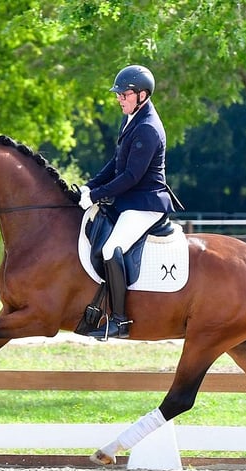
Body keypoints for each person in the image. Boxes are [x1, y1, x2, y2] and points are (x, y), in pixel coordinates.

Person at [78, 64, 177, 339]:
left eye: (124, 94)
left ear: (142, 95)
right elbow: (116, 162)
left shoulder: (147, 128)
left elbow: (131, 176)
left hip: (146, 204)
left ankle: (120, 321)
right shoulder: (131, 118)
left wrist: (96, 196)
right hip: (130, 201)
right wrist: (90, 186)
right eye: (119, 94)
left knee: (111, 249)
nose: (119, 98)